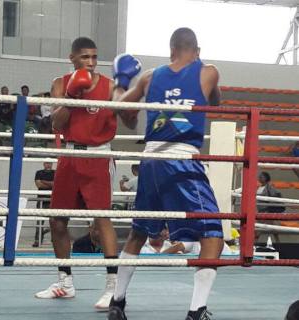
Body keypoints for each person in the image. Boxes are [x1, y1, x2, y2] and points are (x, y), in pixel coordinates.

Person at [107, 28, 224, 320]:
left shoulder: (149, 77)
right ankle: (197, 311)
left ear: (170, 49)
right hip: (182, 160)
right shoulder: (208, 71)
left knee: (139, 232)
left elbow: (124, 113)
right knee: (213, 237)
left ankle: (117, 303)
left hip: (150, 161)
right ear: (196, 49)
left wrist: (120, 82)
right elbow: (216, 103)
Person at [34, 37, 138, 310]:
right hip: (69, 154)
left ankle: (113, 288)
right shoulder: (60, 83)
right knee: (56, 221)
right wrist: (71, 96)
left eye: (94, 57)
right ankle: (64, 283)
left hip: (98, 154)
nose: (90, 62)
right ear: (73, 58)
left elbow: (130, 119)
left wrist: (128, 88)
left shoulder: (109, 86)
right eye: (85, 58)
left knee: (101, 219)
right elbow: (55, 123)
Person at [33, 162, 55, 247]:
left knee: (54, 221)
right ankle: (37, 240)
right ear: (43, 164)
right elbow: (38, 184)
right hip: (41, 199)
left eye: (50, 163)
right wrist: (51, 184)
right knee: (39, 221)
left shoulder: (55, 172)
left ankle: (54, 240)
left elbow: (56, 184)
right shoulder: (39, 172)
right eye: (47, 163)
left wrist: (44, 181)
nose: (48, 165)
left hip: (53, 200)